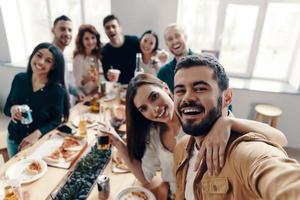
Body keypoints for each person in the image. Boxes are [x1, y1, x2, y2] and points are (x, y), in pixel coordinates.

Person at [100, 73, 287, 199]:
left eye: (154, 96)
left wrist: (228, 122)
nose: (154, 109)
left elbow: (279, 138)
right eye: (144, 108)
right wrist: (117, 141)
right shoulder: (154, 134)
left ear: (166, 89)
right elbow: (145, 177)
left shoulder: (201, 120)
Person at [173, 54, 300, 199]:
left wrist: (229, 122)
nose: (187, 97)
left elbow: (282, 177)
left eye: (200, 88)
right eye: (180, 91)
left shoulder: (245, 153)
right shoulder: (181, 147)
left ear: (227, 97)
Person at [4, 43, 70, 157]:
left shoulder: (57, 91)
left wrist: (36, 134)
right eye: (38, 55)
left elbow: (56, 120)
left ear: (53, 66)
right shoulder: (19, 79)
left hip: (37, 143)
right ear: (32, 55)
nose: (41, 62)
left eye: (48, 61)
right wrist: (12, 109)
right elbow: (6, 108)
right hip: (13, 139)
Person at [52, 15, 84, 102]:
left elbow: (63, 81)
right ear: (53, 31)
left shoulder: (62, 55)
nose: (67, 33)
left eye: (70, 30)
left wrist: (76, 92)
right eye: (62, 29)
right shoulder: (49, 56)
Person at [101, 14, 140, 84]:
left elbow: (149, 51)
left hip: (137, 85)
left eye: (113, 26)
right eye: (107, 28)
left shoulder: (134, 41)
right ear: (105, 31)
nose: (111, 30)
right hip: (119, 88)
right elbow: (106, 75)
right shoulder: (104, 51)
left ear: (120, 28)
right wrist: (109, 76)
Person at [157, 24, 193, 93]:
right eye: (170, 39)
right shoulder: (163, 73)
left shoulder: (204, 64)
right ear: (166, 44)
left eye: (177, 36)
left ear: (185, 37)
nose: (174, 41)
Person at [73, 24, 103, 96]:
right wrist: (90, 77)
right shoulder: (78, 58)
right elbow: (78, 83)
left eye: (93, 38)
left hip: (95, 94)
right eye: (86, 38)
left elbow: (98, 77)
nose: (90, 41)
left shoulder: (96, 56)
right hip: (84, 97)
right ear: (81, 41)